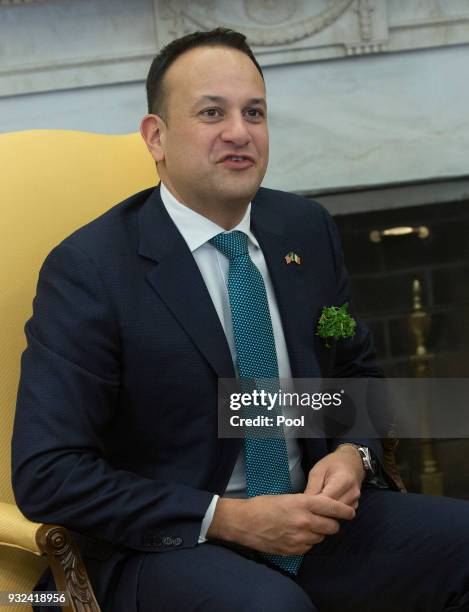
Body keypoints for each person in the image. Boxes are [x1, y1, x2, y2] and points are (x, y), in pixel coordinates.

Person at [11, 27, 469, 612]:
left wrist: (351, 455)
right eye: (211, 112)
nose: (239, 132)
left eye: (255, 112)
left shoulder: (304, 228)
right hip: (166, 546)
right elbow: (49, 472)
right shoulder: (90, 270)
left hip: (314, 519)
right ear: (156, 137)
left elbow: (352, 373)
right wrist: (228, 518)